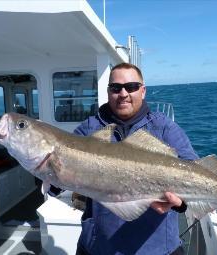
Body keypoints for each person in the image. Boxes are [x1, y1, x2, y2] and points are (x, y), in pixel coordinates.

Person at [71, 63, 198, 255]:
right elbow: (55, 181)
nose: (123, 93)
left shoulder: (165, 128)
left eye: (131, 87)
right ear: (108, 92)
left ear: (143, 91)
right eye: (116, 88)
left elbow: (193, 169)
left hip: (158, 249)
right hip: (99, 247)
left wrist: (181, 203)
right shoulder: (88, 129)